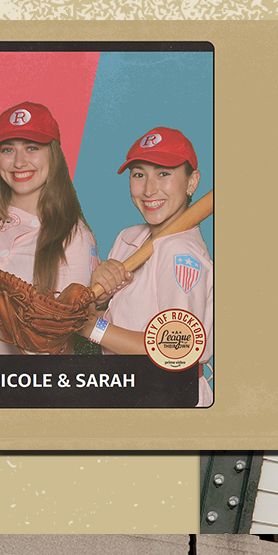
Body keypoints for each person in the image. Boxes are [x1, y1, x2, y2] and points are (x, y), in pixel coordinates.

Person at [88, 126, 215, 405]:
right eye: (139, 174)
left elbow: (175, 348)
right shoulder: (128, 238)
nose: (149, 189)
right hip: (124, 389)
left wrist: (91, 328)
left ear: (192, 182)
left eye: (164, 173)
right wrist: (99, 296)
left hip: (170, 396)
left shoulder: (182, 253)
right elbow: (116, 316)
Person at [0, 101, 97, 356]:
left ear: (53, 155)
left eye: (32, 148)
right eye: (8, 149)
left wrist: (42, 336)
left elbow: (67, 339)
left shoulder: (75, 237)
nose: (19, 162)